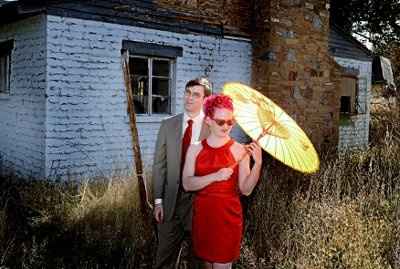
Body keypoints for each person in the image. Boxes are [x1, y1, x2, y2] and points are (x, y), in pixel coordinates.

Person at [182, 94, 262, 269]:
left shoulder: (240, 150)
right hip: (203, 217)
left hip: (227, 219)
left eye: (230, 122)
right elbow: (187, 184)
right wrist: (215, 176)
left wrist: (258, 164)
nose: (226, 126)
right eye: (220, 122)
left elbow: (246, 189)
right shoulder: (195, 149)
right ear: (209, 121)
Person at [152, 77, 212, 269]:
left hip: (199, 206)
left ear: (205, 100)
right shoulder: (168, 125)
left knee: (198, 262)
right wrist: (158, 201)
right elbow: (159, 166)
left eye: (196, 94)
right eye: (187, 92)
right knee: (163, 260)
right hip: (170, 204)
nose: (190, 98)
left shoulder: (212, 128)